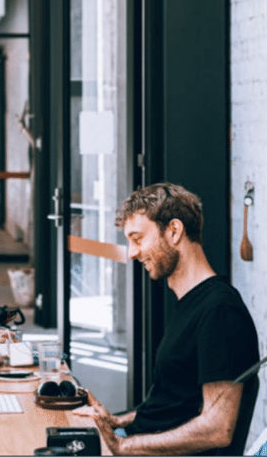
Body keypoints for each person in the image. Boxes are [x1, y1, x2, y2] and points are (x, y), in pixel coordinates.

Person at [75, 182, 259, 455]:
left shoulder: (220, 312)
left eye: (137, 239)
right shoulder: (191, 303)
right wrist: (115, 422)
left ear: (173, 231)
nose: (132, 252)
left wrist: (124, 446)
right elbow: (172, 408)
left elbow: (217, 429)